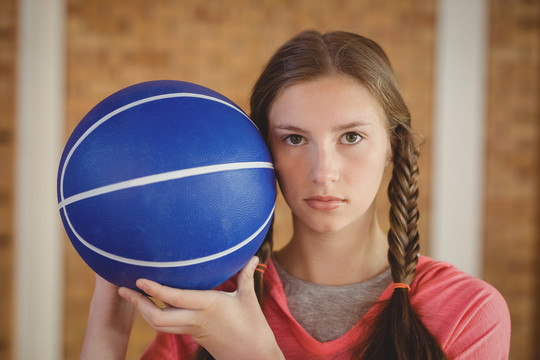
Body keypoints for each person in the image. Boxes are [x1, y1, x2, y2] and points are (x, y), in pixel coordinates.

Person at [80, 30, 511, 360]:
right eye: (295, 139)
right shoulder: (211, 304)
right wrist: (109, 312)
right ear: (262, 153)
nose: (323, 172)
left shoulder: (467, 312)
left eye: (352, 136)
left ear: (392, 147)